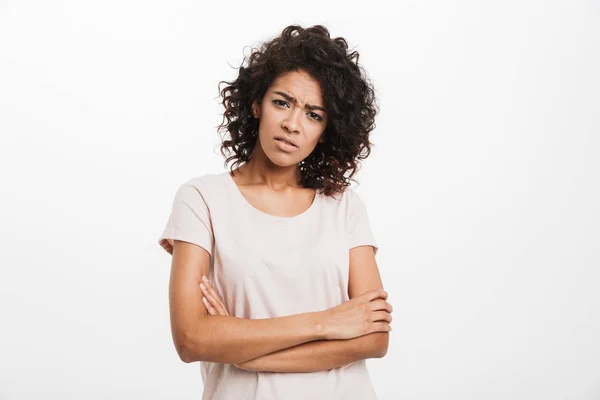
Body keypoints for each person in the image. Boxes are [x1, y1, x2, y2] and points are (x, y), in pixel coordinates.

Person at [158, 24, 393, 400]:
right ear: (256, 103)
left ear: (328, 129)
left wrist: (246, 353)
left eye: (314, 114)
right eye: (282, 102)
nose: (292, 124)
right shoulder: (202, 199)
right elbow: (190, 338)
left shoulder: (343, 207)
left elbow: (375, 337)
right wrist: (327, 322)